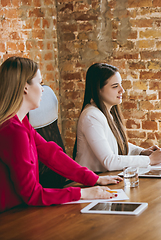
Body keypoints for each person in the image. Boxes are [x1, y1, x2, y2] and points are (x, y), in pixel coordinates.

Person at [0, 57, 121, 212]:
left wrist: (94, 178)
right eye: (40, 82)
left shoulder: (22, 124)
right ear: (25, 87)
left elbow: (51, 154)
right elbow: (32, 194)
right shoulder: (13, 131)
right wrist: (83, 193)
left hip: (22, 210)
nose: (43, 89)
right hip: (11, 218)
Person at [74, 63, 161, 172]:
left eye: (121, 84)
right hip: (90, 182)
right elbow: (109, 161)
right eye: (115, 86)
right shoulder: (91, 116)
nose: (122, 90)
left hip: (104, 178)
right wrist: (149, 160)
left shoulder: (104, 113)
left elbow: (113, 144)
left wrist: (141, 152)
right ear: (98, 89)